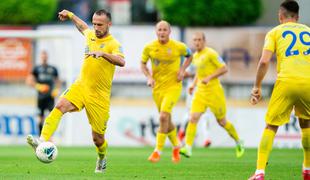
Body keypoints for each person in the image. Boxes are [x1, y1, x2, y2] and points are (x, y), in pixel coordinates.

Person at [26, 9, 125, 173]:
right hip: (80, 86)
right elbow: (82, 26)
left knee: (98, 139)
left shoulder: (113, 44)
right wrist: (70, 15)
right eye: (94, 23)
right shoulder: (90, 34)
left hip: (99, 96)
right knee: (60, 106)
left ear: (109, 24)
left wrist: (103, 53)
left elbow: (121, 61)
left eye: (99, 24)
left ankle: (101, 158)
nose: (96, 27)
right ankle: (42, 140)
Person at [249, 1, 310, 179]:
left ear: (280, 16)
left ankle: (260, 172)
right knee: (306, 124)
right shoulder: (308, 31)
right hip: (308, 83)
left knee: (271, 126)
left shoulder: (275, 32)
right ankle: (307, 169)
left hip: (286, 82)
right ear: (297, 17)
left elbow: (264, 61)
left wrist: (257, 87)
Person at [179, 32, 245, 158]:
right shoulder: (195, 56)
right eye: (195, 40)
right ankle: (187, 148)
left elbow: (224, 68)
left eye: (199, 40)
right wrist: (193, 84)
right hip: (201, 92)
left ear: (204, 41)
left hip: (214, 92)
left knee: (222, 121)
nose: (197, 42)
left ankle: (238, 141)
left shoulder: (211, 53)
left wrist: (209, 77)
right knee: (193, 118)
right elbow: (199, 72)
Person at [141, 20, 192, 163]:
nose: (162, 32)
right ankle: (177, 146)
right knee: (167, 119)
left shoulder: (178, 46)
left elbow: (190, 55)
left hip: (173, 87)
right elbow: (142, 63)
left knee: (163, 116)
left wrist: (182, 69)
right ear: (156, 32)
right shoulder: (149, 48)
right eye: (159, 30)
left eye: (165, 30)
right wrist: (149, 77)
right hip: (157, 88)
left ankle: (158, 151)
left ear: (170, 32)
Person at [26, 50, 61, 136]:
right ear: (40, 57)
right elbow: (29, 81)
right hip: (41, 97)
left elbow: (58, 81)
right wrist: (38, 86)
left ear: (47, 57)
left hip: (50, 97)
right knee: (40, 118)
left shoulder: (53, 69)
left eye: (45, 56)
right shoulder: (37, 69)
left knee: (51, 117)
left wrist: (56, 90)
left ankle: (50, 137)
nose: (44, 58)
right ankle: (40, 137)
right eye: (42, 56)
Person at [178, 65, 212, 148]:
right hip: (193, 90)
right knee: (190, 113)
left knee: (205, 115)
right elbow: (185, 74)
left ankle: (207, 139)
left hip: (204, 90)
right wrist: (196, 74)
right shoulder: (194, 61)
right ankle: (182, 132)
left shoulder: (209, 59)